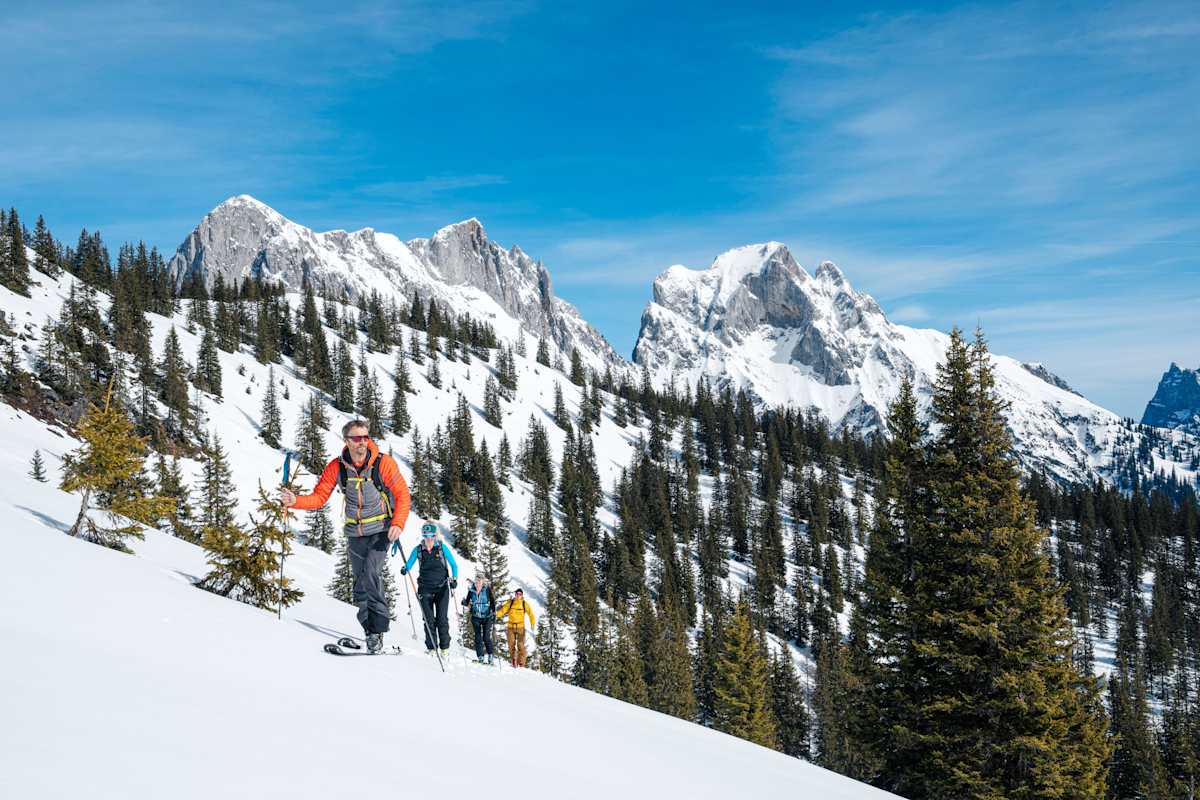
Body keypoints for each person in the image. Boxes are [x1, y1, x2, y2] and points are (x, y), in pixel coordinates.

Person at [282, 419, 410, 654]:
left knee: (372, 572)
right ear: (346, 441)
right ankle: (369, 632)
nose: (362, 442)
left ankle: (378, 629)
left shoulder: (383, 464)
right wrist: (295, 501)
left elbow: (402, 494)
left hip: (382, 530)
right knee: (360, 585)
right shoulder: (337, 467)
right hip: (355, 533)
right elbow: (319, 497)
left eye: (365, 437)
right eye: (356, 438)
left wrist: (398, 523)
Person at [400, 522, 459, 657]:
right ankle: (432, 648)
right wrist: (405, 569)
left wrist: (454, 579)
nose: (428, 539)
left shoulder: (442, 549)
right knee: (428, 619)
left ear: (435, 536)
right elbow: (409, 564)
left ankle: (444, 648)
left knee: (441, 619)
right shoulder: (418, 550)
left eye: (431, 536)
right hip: (424, 588)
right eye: (426, 536)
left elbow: (454, 565)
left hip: (442, 588)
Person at [495, 587, 536, 668]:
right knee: (511, 644)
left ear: (522, 595)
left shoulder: (524, 604)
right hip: (510, 627)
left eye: (520, 594)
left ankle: (521, 663)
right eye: (517, 594)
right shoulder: (510, 603)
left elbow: (531, 614)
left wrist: (532, 624)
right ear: (515, 594)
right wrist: (496, 614)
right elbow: (503, 610)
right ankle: (514, 660)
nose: (518, 595)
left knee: (521, 645)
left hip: (521, 627)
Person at [461, 576, 496, 664]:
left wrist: (494, 612)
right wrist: (464, 602)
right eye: (476, 582)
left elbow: (492, 601)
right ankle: (480, 657)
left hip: (487, 617)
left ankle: (490, 657)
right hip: (476, 617)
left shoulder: (487, 590)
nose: (478, 584)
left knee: (486, 637)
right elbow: (468, 601)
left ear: (482, 583)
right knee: (478, 637)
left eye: (479, 582)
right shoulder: (471, 590)